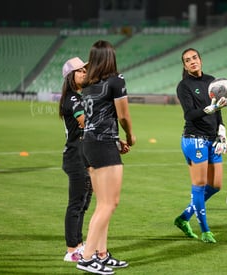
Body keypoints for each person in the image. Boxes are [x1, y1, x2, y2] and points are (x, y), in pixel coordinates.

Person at [77, 40, 136, 275]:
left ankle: (101, 254)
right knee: (110, 204)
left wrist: (115, 140)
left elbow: (96, 119)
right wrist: (130, 136)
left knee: (103, 204)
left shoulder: (89, 85)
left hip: (91, 144)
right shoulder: (116, 80)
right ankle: (87, 257)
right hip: (103, 146)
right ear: (111, 57)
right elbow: (123, 115)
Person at [174, 48, 227, 244]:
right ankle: (205, 231)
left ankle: (183, 218)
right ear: (184, 65)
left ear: (201, 60)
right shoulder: (183, 86)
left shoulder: (212, 81)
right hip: (193, 138)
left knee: (215, 185)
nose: (192, 62)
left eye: (194, 58)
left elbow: (219, 110)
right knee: (198, 186)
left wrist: (222, 132)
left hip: (212, 139)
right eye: (187, 60)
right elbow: (189, 114)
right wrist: (210, 109)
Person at [59, 57, 92, 262]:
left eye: (85, 70)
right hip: (75, 156)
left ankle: (79, 244)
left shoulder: (80, 97)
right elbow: (85, 121)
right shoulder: (71, 98)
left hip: (84, 155)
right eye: (80, 71)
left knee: (83, 203)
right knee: (76, 204)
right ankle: (72, 250)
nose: (85, 73)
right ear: (71, 76)